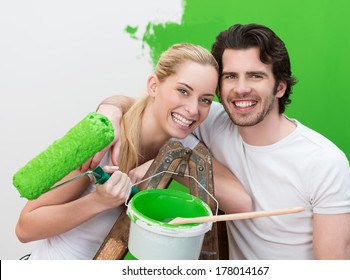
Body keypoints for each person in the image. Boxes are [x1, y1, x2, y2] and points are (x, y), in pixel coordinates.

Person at [93, 24, 350, 260]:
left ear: (280, 87)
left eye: (255, 76)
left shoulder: (324, 162)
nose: (241, 88)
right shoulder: (210, 118)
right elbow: (154, 104)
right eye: (231, 76)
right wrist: (110, 112)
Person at [15, 43, 251, 260]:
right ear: (153, 86)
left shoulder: (183, 147)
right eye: (183, 91)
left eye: (206, 100)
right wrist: (98, 201)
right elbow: (25, 227)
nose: (192, 109)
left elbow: (241, 203)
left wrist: (171, 163)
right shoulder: (103, 140)